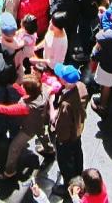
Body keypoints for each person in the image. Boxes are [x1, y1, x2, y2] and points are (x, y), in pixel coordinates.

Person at [0, 74, 47, 179]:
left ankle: (10, 171)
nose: (21, 86)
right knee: (42, 133)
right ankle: (49, 149)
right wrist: (15, 86)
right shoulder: (44, 90)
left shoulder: (26, 107)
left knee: (14, 148)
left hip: (29, 128)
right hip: (40, 120)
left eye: (23, 86)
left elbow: (6, 110)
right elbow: (28, 93)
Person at [48, 63, 87, 197]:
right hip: (77, 132)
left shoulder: (65, 106)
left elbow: (61, 127)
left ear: (65, 81)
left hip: (66, 139)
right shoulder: (81, 87)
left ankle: (68, 186)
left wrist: (52, 107)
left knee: (65, 163)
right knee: (77, 154)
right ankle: (78, 175)